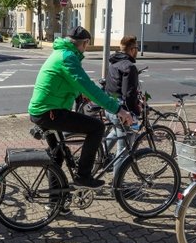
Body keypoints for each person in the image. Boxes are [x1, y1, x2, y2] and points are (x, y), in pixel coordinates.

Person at [28, 26, 133, 188]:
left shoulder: (61, 52)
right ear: (83, 43)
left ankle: (55, 203)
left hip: (43, 110)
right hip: (49, 112)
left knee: (58, 156)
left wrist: (80, 94)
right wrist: (118, 109)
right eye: (86, 45)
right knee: (97, 127)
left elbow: (70, 82)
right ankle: (83, 177)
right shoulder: (68, 57)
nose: (86, 49)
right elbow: (88, 86)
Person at [104, 35, 141, 174]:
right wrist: (135, 113)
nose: (137, 51)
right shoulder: (129, 67)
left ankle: (102, 158)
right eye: (137, 48)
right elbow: (129, 95)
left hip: (110, 107)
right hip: (121, 111)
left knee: (115, 132)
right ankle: (117, 185)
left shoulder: (113, 63)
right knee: (124, 150)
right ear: (132, 50)